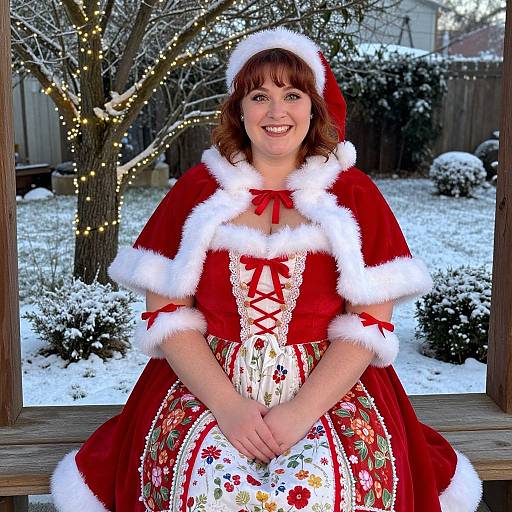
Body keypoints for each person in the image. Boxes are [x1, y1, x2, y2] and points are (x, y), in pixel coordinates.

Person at [50, 28, 483, 511]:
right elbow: (167, 317)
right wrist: (230, 409)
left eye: (292, 95)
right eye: (260, 96)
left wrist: (300, 412)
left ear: (313, 107)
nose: (276, 112)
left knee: (323, 489)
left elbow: (369, 325)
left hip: (327, 388)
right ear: (239, 109)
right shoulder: (198, 193)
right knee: (204, 486)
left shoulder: (353, 196)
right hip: (208, 383)